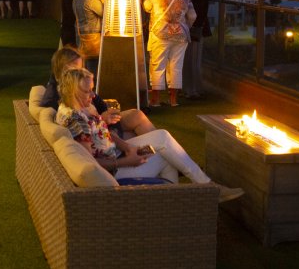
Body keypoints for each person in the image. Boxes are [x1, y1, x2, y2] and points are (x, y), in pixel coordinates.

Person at [56, 68, 243, 201]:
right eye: (87, 91)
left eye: (92, 89)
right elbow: (92, 163)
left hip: (118, 154)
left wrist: (128, 147)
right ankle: (205, 191)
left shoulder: (78, 108)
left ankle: (182, 198)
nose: (93, 95)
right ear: (73, 90)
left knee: (163, 139)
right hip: (116, 169)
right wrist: (125, 161)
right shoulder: (76, 121)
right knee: (166, 153)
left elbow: (103, 134)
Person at [40, 46, 154, 139]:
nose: (79, 73)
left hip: (104, 129)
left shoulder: (76, 86)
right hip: (100, 137)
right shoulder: (57, 99)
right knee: (158, 140)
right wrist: (102, 121)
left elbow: (101, 105)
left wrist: (112, 128)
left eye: (80, 69)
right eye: (75, 70)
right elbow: (80, 128)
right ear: (61, 71)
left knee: (137, 116)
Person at [143, 0, 195, 107]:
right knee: (176, 67)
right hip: (181, 36)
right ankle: (173, 100)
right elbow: (193, 16)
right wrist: (184, 26)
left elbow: (146, 6)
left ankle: (155, 100)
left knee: (157, 66)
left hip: (161, 35)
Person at [180, 0, 212, 100]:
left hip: (195, 29)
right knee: (189, 59)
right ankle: (190, 88)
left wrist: (195, 27)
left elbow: (201, 11)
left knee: (192, 59)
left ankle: (193, 90)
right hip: (192, 28)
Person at [72, 0, 103, 71]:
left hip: (80, 37)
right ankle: (92, 85)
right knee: (94, 67)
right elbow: (104, 13)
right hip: (93, 39)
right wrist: (101, 0)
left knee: (84, 66)